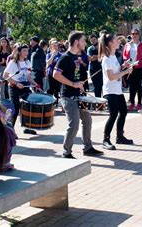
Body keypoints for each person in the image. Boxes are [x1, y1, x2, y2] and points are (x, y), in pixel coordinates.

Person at [53, 31, 103, 159]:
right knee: (73, 124)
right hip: (68, 96)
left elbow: (75, 76)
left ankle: (88, 147)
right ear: (76, 42)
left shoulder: (77, 57)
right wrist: (73, 84)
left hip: (78, 95)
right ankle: (66, 152)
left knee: (87, 120)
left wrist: (79, 84)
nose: (85, 43)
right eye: (83, 41)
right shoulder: (65, 57)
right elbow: (56, 75)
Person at [98, 33, 134, 150]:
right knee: (113, 115)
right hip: (110, 91)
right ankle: (105, 139)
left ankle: (119, 136)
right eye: (116, 40)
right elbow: (111, 77)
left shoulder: (113, 57)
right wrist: (125, 72)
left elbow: (116, 71)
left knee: (123, 112)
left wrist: (123, 66)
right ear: (110, 43)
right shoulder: (106, 58)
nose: (119, 42)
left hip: (117, 91)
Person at [4, 44, 39, 132]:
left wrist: (36, 85)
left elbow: (29, 77)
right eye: (24, 50)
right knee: (15, 109)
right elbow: (5, 76)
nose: (26, 52)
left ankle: (27, 127)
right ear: (19, 52)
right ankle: (11, 130)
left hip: (25, 86)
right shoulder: (13, 62)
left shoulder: (28, 62)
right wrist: (16, 83)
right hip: (14, 87)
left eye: (27, 50)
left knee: (28, 108)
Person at [123, 28, 142, 111]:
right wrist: (127, 61)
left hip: (138, 68)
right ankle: (132, 103)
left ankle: (139, 103)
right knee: (131, 86)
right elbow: (124, 55)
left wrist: (141, 62)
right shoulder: (127, 45)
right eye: (133, 34)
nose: (134, 35)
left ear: (138, 35)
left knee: (138, 86)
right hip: (130, 68)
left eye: (136, 34)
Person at [46, 39, 62, 103]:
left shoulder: (61, 55)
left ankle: (56, 102)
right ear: (51, 47)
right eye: (53, 46)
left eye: (56, 46)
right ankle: (49, 102)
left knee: (57, 89)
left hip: (58, 74)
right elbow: (48, 63)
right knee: (50, 89)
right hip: (50, 74)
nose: (55, 47)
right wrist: (53, 55)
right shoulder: (49, 54)